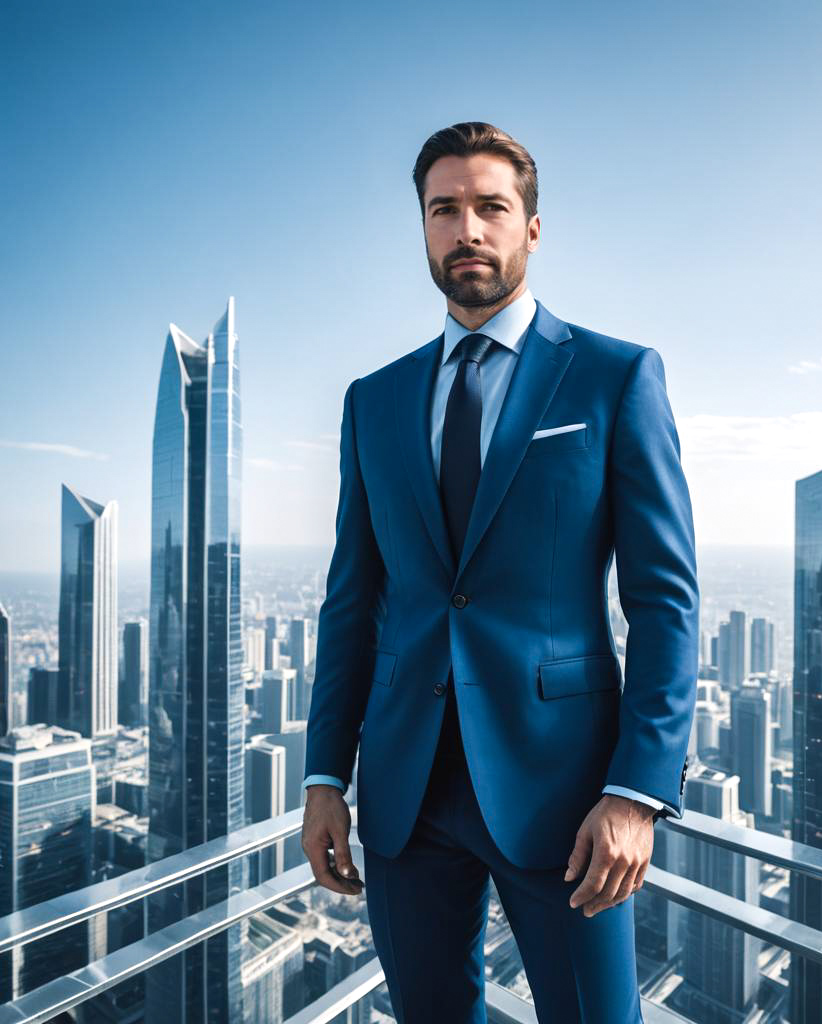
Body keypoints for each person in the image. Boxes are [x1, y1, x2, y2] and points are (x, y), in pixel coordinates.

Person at [300, 121, 698, 1023]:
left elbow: (665, 600)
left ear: (532, 229)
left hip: (564, 795)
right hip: (403, 793)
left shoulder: (613, 377)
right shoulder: (374, 400)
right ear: (425, 230)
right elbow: (352, 601)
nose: (467, 229)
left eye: (491, 207)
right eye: (445, 210)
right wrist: (326, 774)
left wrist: (637, 794)